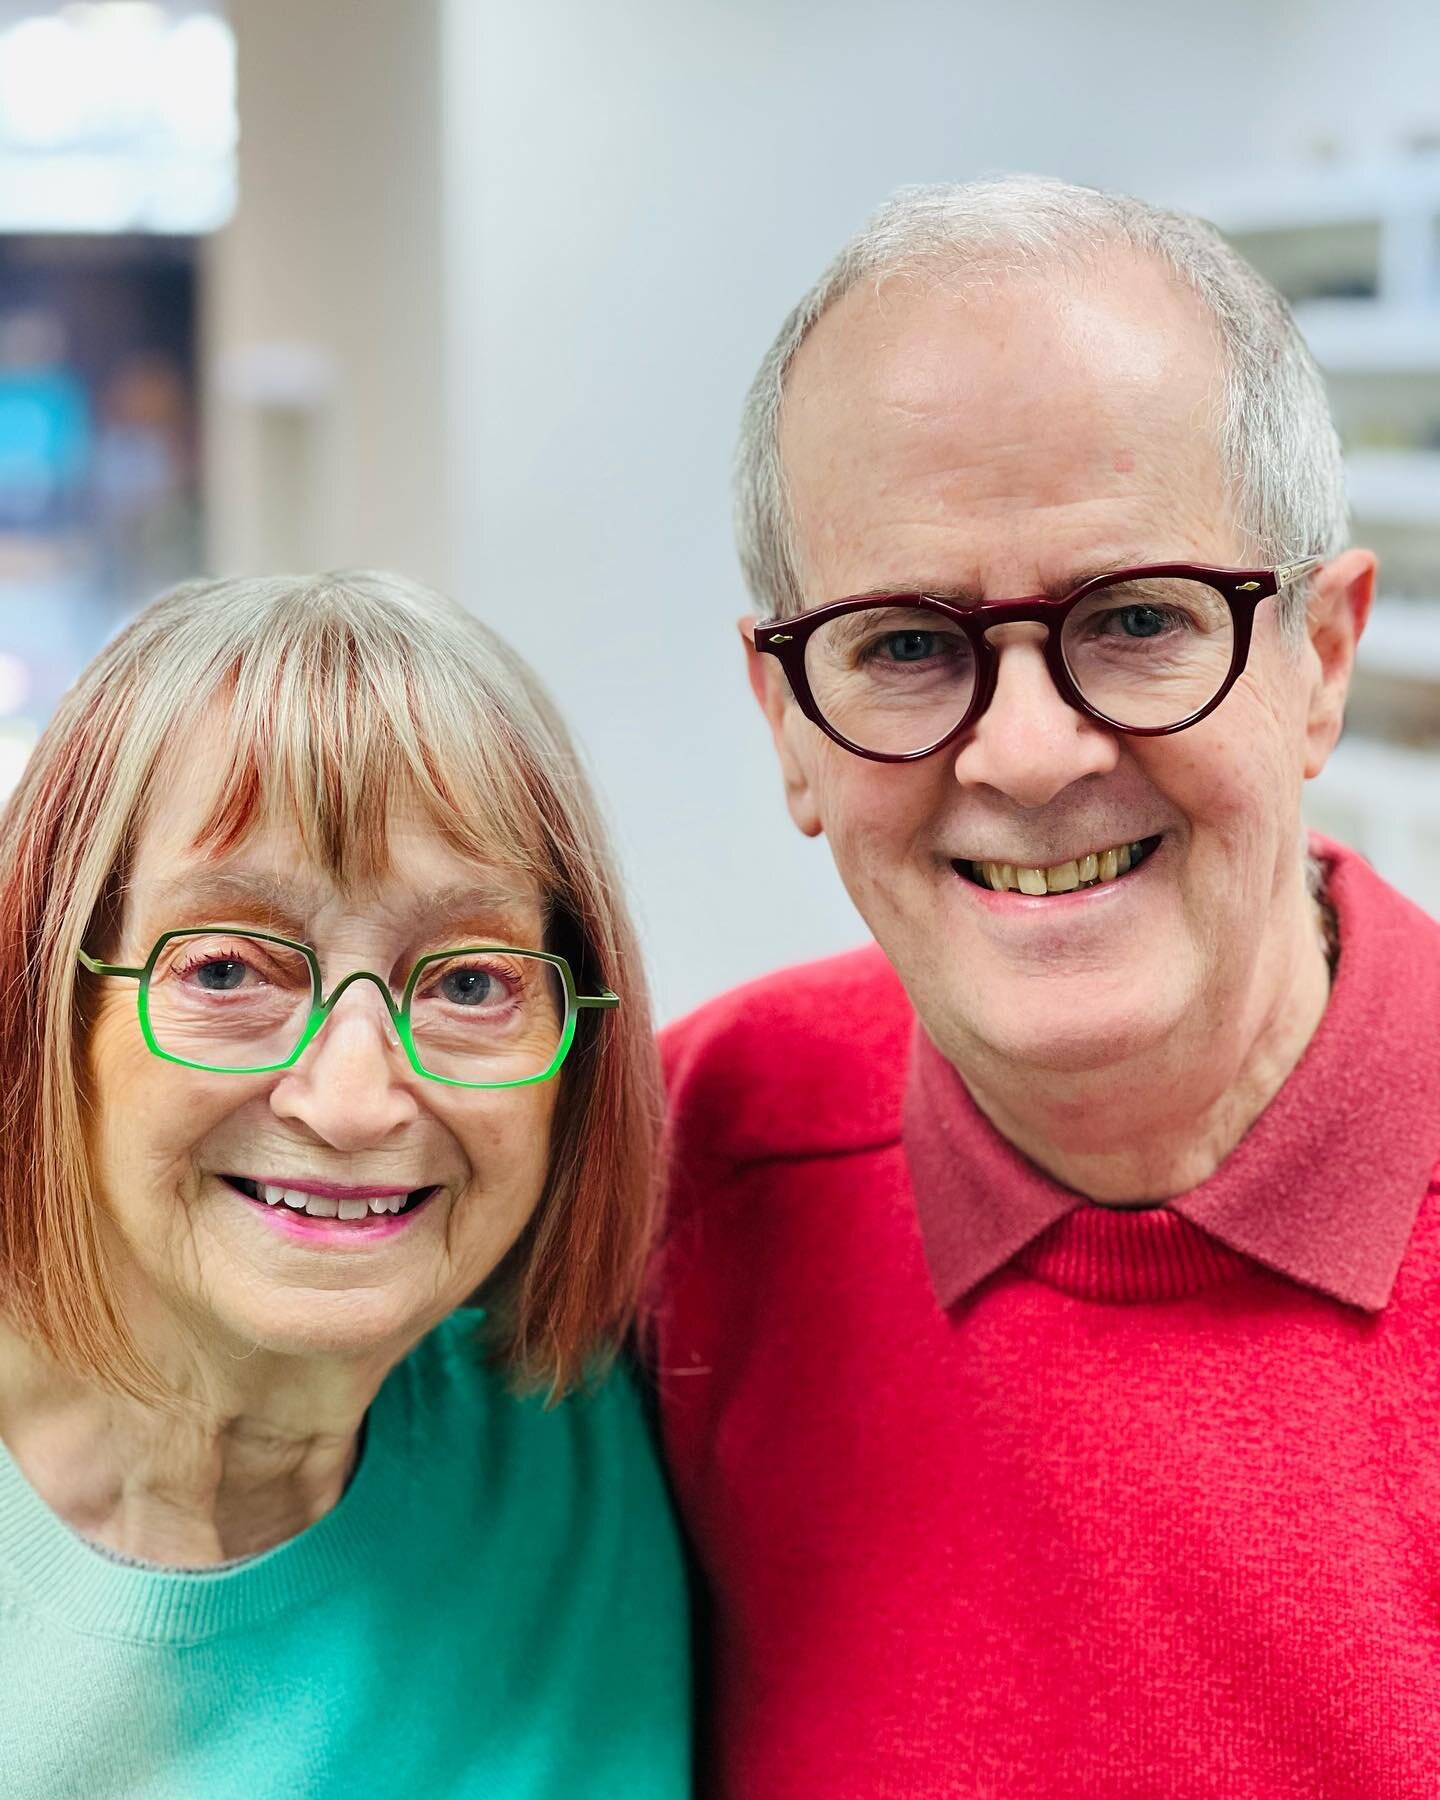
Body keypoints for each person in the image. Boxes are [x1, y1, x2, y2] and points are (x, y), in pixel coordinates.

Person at [648, 177, 1440, 1796]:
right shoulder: (667, 1174)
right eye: (907, 647)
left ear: (1321, 663)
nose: (1023, 752)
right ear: (788, 720)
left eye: (1139, 618)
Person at [0, 573, 690, 1797]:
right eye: (226, 969)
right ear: (53, 1006)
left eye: (470, 983)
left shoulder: (592, 1433)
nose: (355, 1099)